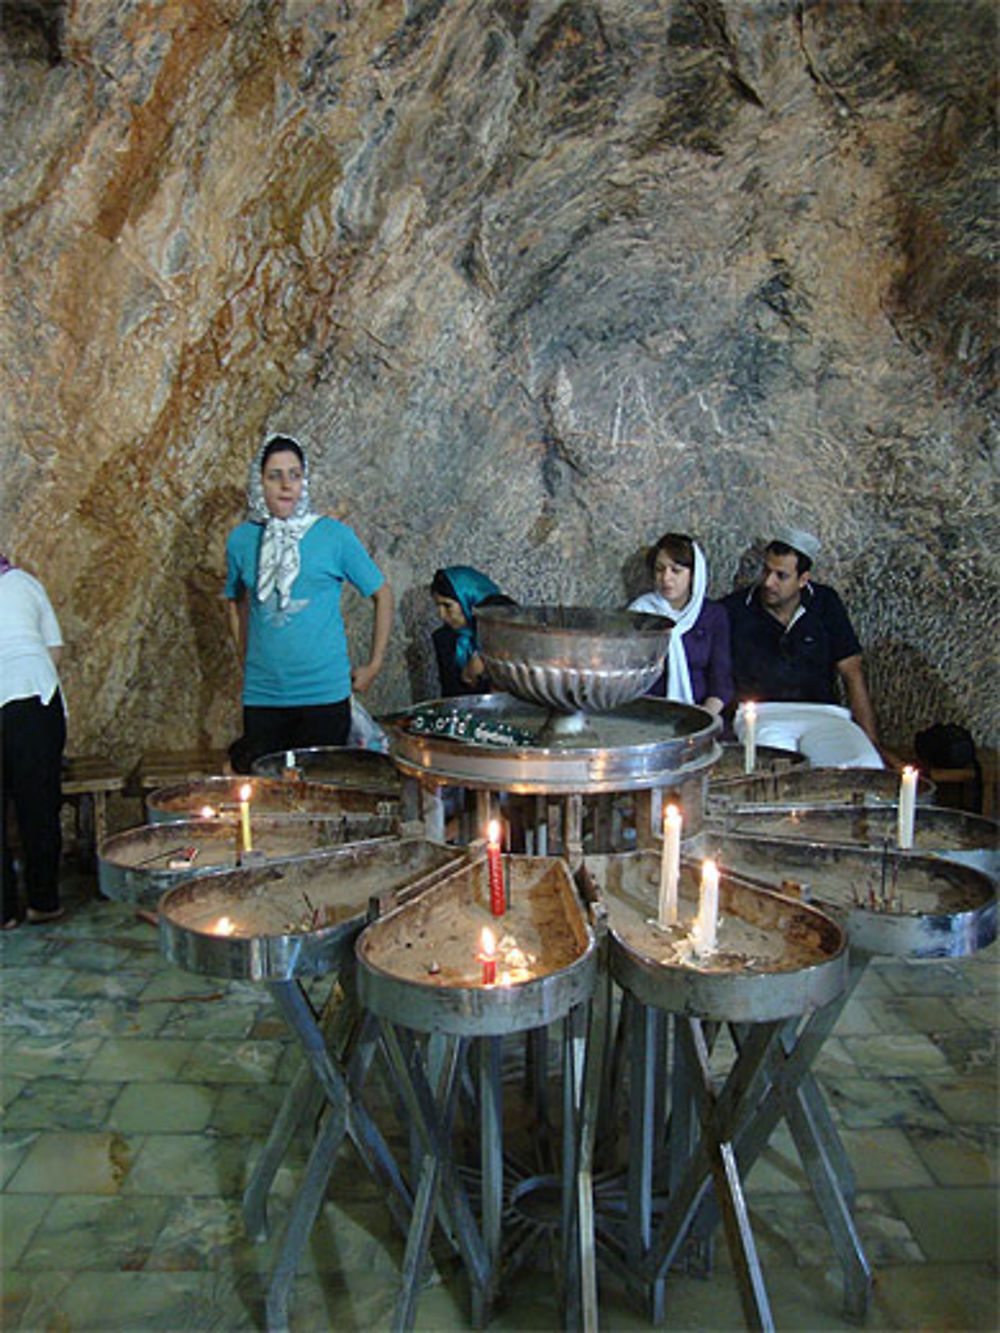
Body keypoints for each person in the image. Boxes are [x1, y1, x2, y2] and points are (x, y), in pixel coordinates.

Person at [226, 435, 394, 771]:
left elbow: (382, 593)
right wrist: (245, 656)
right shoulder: (243, 539)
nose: (286, 485)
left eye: (295, 475)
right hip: (264, 696)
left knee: (322, 796)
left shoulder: (333, 535)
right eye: (275, 476)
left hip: (323, 695)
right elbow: (234, 600)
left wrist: (373, 664)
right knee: (267, 796)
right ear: (260, 482)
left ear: (305, 480)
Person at [721, 527, 883, 767]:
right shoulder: (735, 609)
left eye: (781, 575)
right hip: (763, 715)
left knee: (863, 764)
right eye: (766, 570)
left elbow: (852, 672)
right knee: (773, 772)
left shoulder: (826, 603)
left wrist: (872, 741)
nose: (768, 582)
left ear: (803, 579)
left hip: (824, 714)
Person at [1, 554, 67, 928]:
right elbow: (53, 650)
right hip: (34, 697)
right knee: (39, 805)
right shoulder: (25, 582)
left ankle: (3, 911)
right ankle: (44, 900)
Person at [628, 533, 733, 716]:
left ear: (693, 575)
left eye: (675, 570)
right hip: (648, 714)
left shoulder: (713, 615)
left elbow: (721, 682)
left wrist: (703, 720)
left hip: (701, 712)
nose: (666, 578)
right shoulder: (641, 613)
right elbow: (629, 676)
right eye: (660, 569)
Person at [430, 566, 515, 697]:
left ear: (469, 600)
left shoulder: (507, 629)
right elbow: (450, 695)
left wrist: (484, 657)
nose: (441, 614)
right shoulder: (445, 639)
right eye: (438, 606)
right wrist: (467, 677)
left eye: (447, 606)